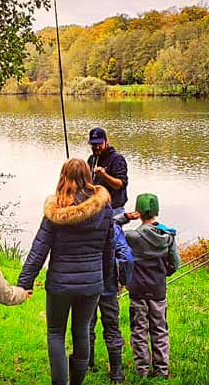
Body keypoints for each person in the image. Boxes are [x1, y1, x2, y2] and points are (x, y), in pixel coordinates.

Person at [17, 159, 115, 385]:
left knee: (55, 334)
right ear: (88, 177)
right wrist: (108, 280)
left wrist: (25, 283)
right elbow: (109, 249)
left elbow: (38, 249)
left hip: (60, 284)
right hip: (92, 283)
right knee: (81, 331)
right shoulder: (105, 208)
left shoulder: (56, 210)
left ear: (63, 178)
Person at [84, 127, 132, 382]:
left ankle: (116, 372)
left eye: (99, 144)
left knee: (102, 322)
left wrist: (103, 175)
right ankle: (94, 364)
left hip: (114, 210)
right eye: (93, 144)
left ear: (106, 141)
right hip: (107, 283)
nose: (96, 148)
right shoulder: (90, 160)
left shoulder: (116, 160)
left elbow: (121, 184)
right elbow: (126, 257)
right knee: (98, 322)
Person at [116, 193, 180, 379]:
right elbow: (175, 263)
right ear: (157, 211)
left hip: (137, 291)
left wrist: (124, 217)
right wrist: (163, 274)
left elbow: (110, 227)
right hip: (158, 291)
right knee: (160, 329)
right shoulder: (167, 236)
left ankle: (142, 370)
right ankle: (162, 371)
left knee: (139, 331)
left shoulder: (131, 237)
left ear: (138, 212)